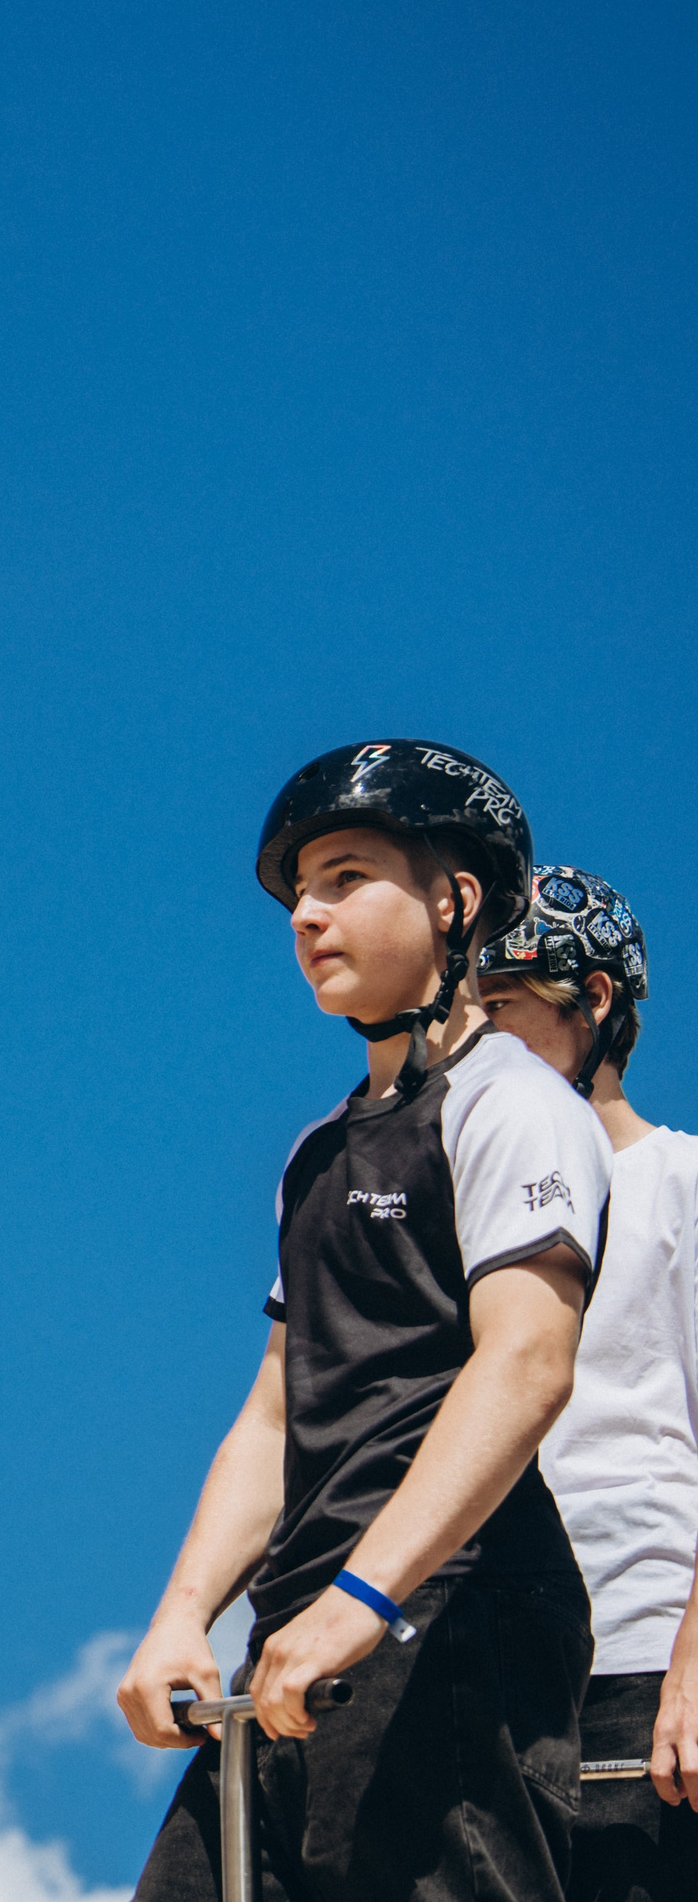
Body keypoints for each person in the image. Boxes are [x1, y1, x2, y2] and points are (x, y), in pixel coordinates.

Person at [116, 740, 612, 1901]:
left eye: (345, 877)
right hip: (300, 1628)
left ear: (454, 900)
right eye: (299, 891)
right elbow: (274, 1410)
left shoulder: (514, 1104)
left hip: (454, 1611)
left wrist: (366, 1597)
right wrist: (183, 1615)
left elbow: (527, 1363)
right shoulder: (315, 1153)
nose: (306, 913)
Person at [477, 867, 698, 1901]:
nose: (475, 1039)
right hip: (490, 1675)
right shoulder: (469, 1211)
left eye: (500, 1006)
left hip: (643, 1662)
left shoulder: (681, 1182)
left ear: (593, 1000)